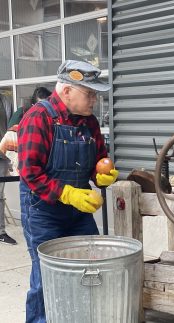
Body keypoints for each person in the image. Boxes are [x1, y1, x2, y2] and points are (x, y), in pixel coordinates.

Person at [18, 60, 119, 323]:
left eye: (95, 94)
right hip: (43, 213)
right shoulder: (38, 118)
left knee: (91, 269)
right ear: (66, 92)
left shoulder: (90, 123)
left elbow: (98, 163)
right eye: (89, 93)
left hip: (77, 215)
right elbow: (30, 173)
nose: (94, 100)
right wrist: (68, 193)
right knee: (46, 279)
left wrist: (103, 176)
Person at [0, 93, 17, 245]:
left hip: (2, 155)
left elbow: (11, 128)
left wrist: (12, 156)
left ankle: (1, 232)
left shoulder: (4, 100)